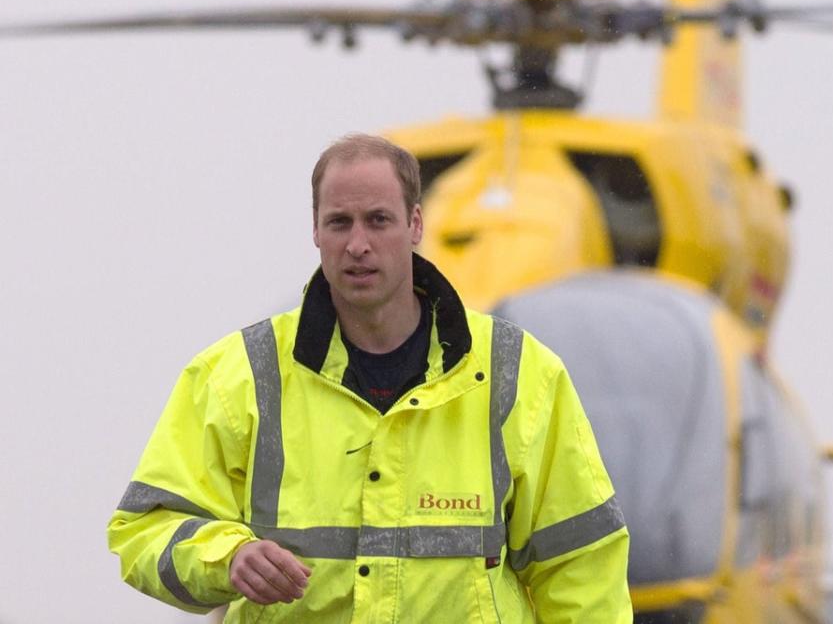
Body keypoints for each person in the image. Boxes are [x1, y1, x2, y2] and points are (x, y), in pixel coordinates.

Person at [107, 133, 632, 622]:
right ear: (315, 230)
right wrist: (228, 557)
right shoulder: (237, 375)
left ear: (416, 225)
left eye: (378, 220)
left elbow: (582, 565)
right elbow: (145, 530)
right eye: (340, 222)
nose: (358, 244)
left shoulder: (518, 374)